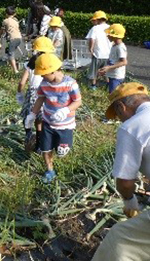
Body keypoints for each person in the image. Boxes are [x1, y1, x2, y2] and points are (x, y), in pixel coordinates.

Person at [92, 83, 150, 261]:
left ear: (121, 106)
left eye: (118, 116)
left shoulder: (132, 126)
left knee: (119, 240)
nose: (120, 120)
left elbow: (125, 180)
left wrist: (130, 201)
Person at [25, 53, 82, 183]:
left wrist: (65, 110)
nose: (41, 76)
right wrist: (32, 114)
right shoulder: (44, 84)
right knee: (46, 148)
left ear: (53, 71)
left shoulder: (70, 84)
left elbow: (78, 101)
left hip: (65, 125)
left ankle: (61, 147)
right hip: (47, 123)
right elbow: (40, 99)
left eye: (43, 74)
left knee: (62, 151)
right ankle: (50, 170)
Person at [17, 37, 56, 153]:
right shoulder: (50, 63)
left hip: (33, 93)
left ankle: (28, 135)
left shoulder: (31, 62)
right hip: (46, 92)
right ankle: (39, 145)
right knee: (40, 121)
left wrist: (19, 93)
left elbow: (22, 82)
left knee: (28, 117)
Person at [98, 24, 128, 94]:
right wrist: (105, 68)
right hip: (113, 75)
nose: (107, 36)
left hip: (116, 76)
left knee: (113, 96)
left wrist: (109, 68)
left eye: (109, 34)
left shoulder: (120, 47)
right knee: (113, 94)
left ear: (115, 36)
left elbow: (124, 62)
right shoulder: (115, 45)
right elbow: (113, 60)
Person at [86, 10, 111, 90]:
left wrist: (91, 48)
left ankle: (93, 85)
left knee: (94, 70)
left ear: (98, 19)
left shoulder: (95, 28)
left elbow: (92, 39)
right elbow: (113, 41)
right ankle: (108, 84)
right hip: (108, 54)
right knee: (106, 70)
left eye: (94, 20)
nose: (93, 22)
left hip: (98, 53)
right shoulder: (110, 28)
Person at [0, 6, 22, 74]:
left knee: (11, 54)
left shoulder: (5, 21)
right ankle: (10, 66)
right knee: (9, 51)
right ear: (14, 14)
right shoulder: (16, 20)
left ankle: (15, 71)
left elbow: (2, 30)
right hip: (19, 38)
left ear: (6, 14)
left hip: (12, 39)